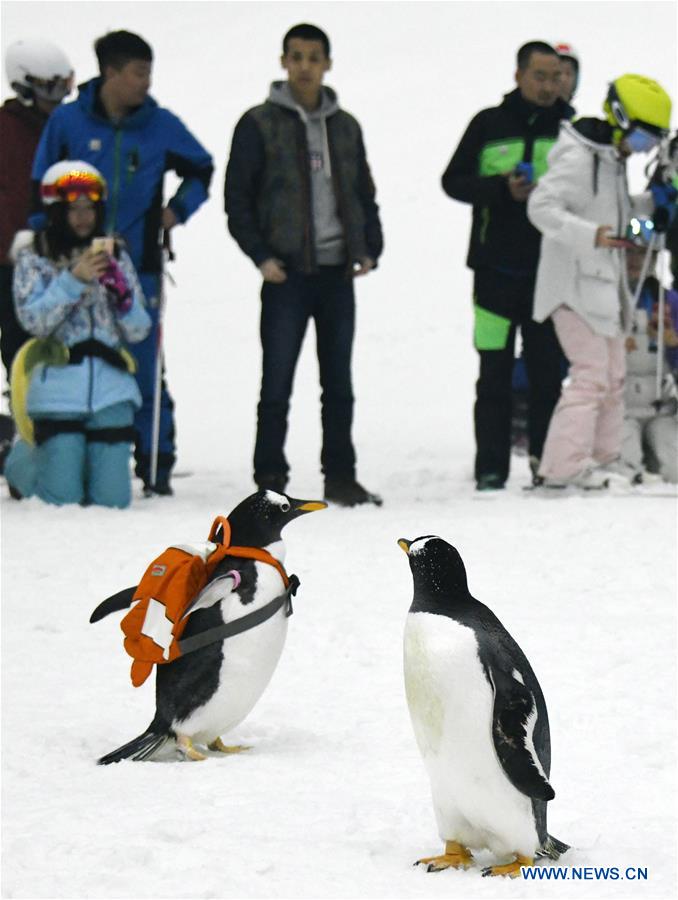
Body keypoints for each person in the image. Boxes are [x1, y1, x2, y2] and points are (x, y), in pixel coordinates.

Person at [31, 30, 213, 496]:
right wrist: (44, 251)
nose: (145, 83)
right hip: (71, 266)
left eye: (148, 72)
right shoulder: (69, 122)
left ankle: (156, 461)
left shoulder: (160, 124)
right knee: (70, 354)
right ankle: (70, 454)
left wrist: (176, 211)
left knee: (146, 359)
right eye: (137, 72)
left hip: (138, 263)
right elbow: (41, 187)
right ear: (110, 72)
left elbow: (201, 167)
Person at [224, 23, 383, 506]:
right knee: (276, 383)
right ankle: (269, 482)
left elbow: (363, 192)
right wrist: (261, 256)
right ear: (283, 61)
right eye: (296, 57)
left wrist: (369, 246)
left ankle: (341, 477)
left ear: (328, 63)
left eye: (314, 57)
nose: (305, 66)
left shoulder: (345, 125)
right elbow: (238, 200)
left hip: (336, 272)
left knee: (338, 383)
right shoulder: (258, 123)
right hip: (286, 274)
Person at [527, 74, 673, 489]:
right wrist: (589, 235)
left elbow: (622, 221)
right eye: (644, 137)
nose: (645, 148)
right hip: (571, 288)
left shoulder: (611, 163)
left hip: (602, 289)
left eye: (653, 142)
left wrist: (654, 208)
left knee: (613, 377)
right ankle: (561, 468)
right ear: (621, 119)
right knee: (591, 375)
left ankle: (606, 458)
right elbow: (541, 207)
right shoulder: (579, 157)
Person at [442, 41, 573, 491]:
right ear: (518, 75)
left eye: (555, 76)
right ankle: (491, 470)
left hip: (549, 277)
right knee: (493, 375)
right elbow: (452, 180)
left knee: (547, 377)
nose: (548, 85)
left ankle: (545, 464)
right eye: (540, 76)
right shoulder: (488, 123)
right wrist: (501, 188)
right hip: (493, 274)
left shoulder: (572, 128)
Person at [4, 161, 151, 507]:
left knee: (112, 501)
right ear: (56, 212)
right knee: (62, 498)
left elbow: (140, 329)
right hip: (57, 389)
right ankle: (21, 463)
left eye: (90, 208)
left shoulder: (115, 255)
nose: (83, 217)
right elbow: (34, 321)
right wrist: (73, 280)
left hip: (112, 390)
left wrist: (122, 295)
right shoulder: (33, 258)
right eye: (73, 209)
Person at [1, 39, 73, 379]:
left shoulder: (68, 127)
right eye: (50, 88)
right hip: (9, 261)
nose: (58, 98)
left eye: (64, 86)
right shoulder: (5, 129)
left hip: (58, 258)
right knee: (19, 348)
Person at [621, 224, 678, 483]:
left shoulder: (669, 302)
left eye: (643, 254)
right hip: (619, 409)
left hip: (659, 409)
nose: (636, 261)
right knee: (624, 468)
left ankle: (655, 455)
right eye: (630, 253)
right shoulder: (606, 299)